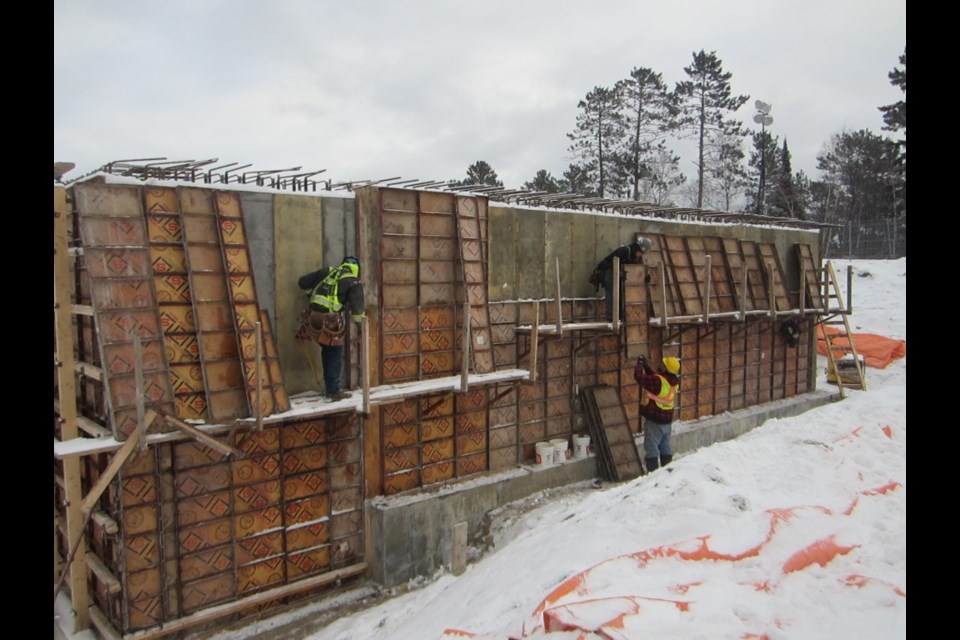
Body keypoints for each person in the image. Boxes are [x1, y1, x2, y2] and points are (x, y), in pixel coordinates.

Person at [297, 256, 365, 401]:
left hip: (313, 317)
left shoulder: (328, 272)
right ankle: (333, 392)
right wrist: (361, 326)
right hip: (330, 321)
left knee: (327, 349)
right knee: (334, 352)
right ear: (357, 269)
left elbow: (302, 282)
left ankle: (329, 389)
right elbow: (357, 311)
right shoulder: (354, 281)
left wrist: (312, 293)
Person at [634, 354, 680, 473]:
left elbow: (640, 378)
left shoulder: (658, 381)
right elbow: (656, 379)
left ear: (666, 368)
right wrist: (646, 366)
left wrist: (639, 366)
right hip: (667, 422)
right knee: (665, 447)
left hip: (655, 421)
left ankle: (653, 474)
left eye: (663, 364)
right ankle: (667, 472)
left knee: (651, 448)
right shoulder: (673, 382)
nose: (661, 365)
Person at [595, 237, 651, 321]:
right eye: (641, 252)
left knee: (623, 292)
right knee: (612, 292)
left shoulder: (636, 257)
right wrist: (620, 273)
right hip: (608, 271)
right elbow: (611, 263)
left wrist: (644, 278)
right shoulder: (624, 251)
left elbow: (636, 271)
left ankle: (621, 315)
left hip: (619, 273)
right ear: (637, 248)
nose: (641, 255)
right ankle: (611, 317)